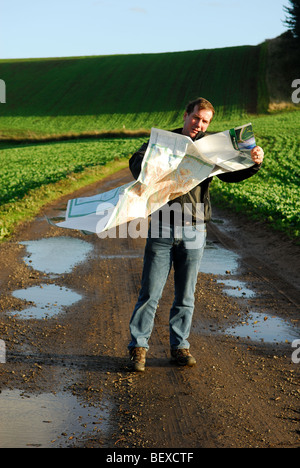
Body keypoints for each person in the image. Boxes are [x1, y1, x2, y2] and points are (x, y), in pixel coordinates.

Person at [128, 97, 264, 372]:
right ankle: (138, 348)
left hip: (194, 228)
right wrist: (148, 161)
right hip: (163, 226)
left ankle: (180, 347)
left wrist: (253, 163)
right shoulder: (164, 142)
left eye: (205, 121)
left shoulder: (210, 147)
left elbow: (230, 175)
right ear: (186, 115)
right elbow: (136, 163)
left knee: (185, 295)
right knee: (150, 292)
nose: (199, 125)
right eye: (196, 118)